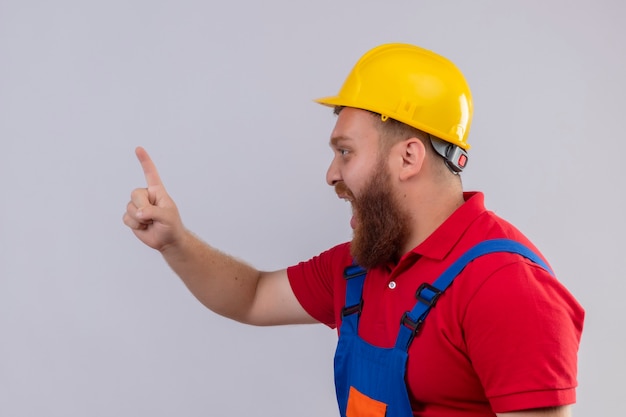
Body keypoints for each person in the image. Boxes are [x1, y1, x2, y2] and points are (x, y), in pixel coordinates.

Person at [123, 43, 584, 417]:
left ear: (408, 157)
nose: (331, 174)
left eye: (345, 152)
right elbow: (252, 296)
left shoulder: (505, 287)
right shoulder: (362, 265)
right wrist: (175, 241)